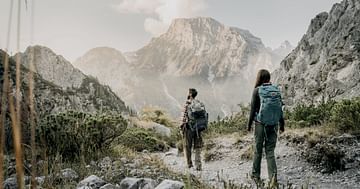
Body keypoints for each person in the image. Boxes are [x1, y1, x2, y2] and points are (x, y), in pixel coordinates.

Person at [247, 69, 285, 185]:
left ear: (259, 78)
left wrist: (248, 125)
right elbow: (280, 108)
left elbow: (253, 109)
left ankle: (255, 176)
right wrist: (282, 124)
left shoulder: (257, 90)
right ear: (269, 78)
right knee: (270, 152)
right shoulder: (276, 90)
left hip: (260, 124)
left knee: (258, 151)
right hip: (274, 124)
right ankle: (273, 180)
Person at [180, 88, 203, 171]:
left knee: (188, 146)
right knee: (197, 147)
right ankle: (199, 165)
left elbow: (183, 116)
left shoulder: (187, 103)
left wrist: (181, 127)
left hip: (189, 128)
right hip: (198, 128)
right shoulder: (199, 103)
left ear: (190, 94)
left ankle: (189, 164)